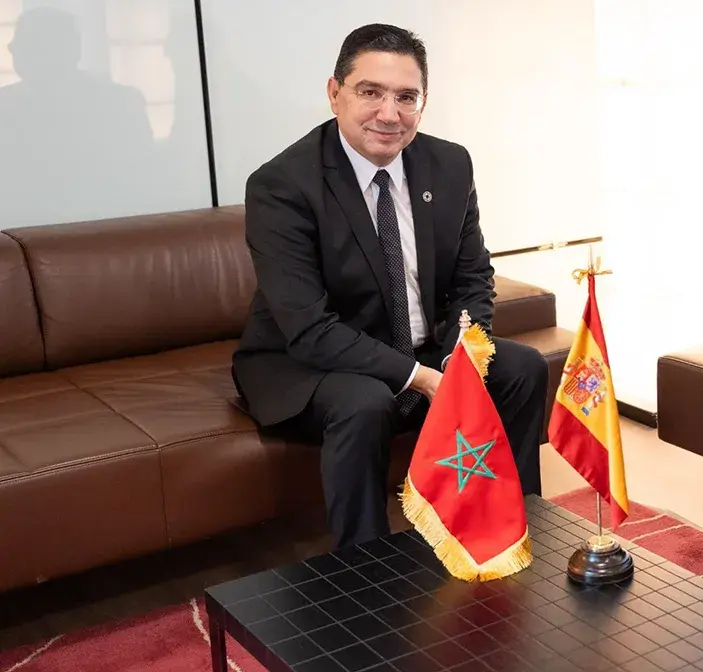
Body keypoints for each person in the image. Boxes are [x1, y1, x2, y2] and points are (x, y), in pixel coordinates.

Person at [231, 24, 548, 551]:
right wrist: (420, 378)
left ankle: (507, 530)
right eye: (370, 92)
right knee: (366, 400)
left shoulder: (449, 164)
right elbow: (309, 329)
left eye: (406, 97)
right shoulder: (282, 185)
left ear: (423, 102)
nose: (389, 113)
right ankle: (365, 569)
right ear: (334, 93)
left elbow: (472, 278)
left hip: (420, 350)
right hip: (306, 363)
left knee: (521, 368)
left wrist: (461, 358)